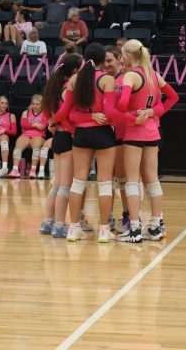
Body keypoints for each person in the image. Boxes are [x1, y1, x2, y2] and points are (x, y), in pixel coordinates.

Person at [58, 43, 137, 242]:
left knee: (78, 183)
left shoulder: (75, 79)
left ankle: (73, 228)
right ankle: (103, 229)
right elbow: (110, 112)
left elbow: (68, 113)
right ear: (103, 60)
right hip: (103, 135)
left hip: (81, 135)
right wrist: (133, 119)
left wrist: (53, 120)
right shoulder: (107, 79)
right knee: (104, 183)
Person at [117, 39, 179, 242]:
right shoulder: (154, 75)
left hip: (134, 133)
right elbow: (173, 97)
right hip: (152, 132)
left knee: (132, 181)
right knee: (152, 180)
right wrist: (152, 111)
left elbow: (123, 104)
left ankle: (134, 229)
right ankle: (155, 226)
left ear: (127, 55)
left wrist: (131, 112)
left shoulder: (131, 76)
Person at [40, 53, 83, 237]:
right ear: (75, 70)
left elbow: (47, 111)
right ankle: (59, 225)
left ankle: (47, 222)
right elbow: (67, 114)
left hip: (59, 137)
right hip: (67, 137)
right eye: (81, 68)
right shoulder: (68, 89)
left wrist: (51, 122)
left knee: (57, 185)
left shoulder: (55, 87)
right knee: (64, 186)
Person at [104, 45, 130, 232]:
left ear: (119, 61)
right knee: (106, 179)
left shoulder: (125, 80)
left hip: (121, 134)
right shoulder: (102, 81)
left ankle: (127, 215)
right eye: (104, 61)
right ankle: (108, 217)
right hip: (103, 135)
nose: (107, 65)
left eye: (110, 61)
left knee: (121, 179)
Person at [8, 94, 49, 178]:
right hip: (26, 134)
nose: (35, 106)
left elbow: (43, 126)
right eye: (33, 104)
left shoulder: (45, 113)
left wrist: (30, 124)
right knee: (17, 148)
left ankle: (33, 171)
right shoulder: (26, 112)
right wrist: (35, 125)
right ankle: (15, 169)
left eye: (37, 104)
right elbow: (23, 125)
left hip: (39, 135)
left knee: (36, 147)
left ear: (42, 104)